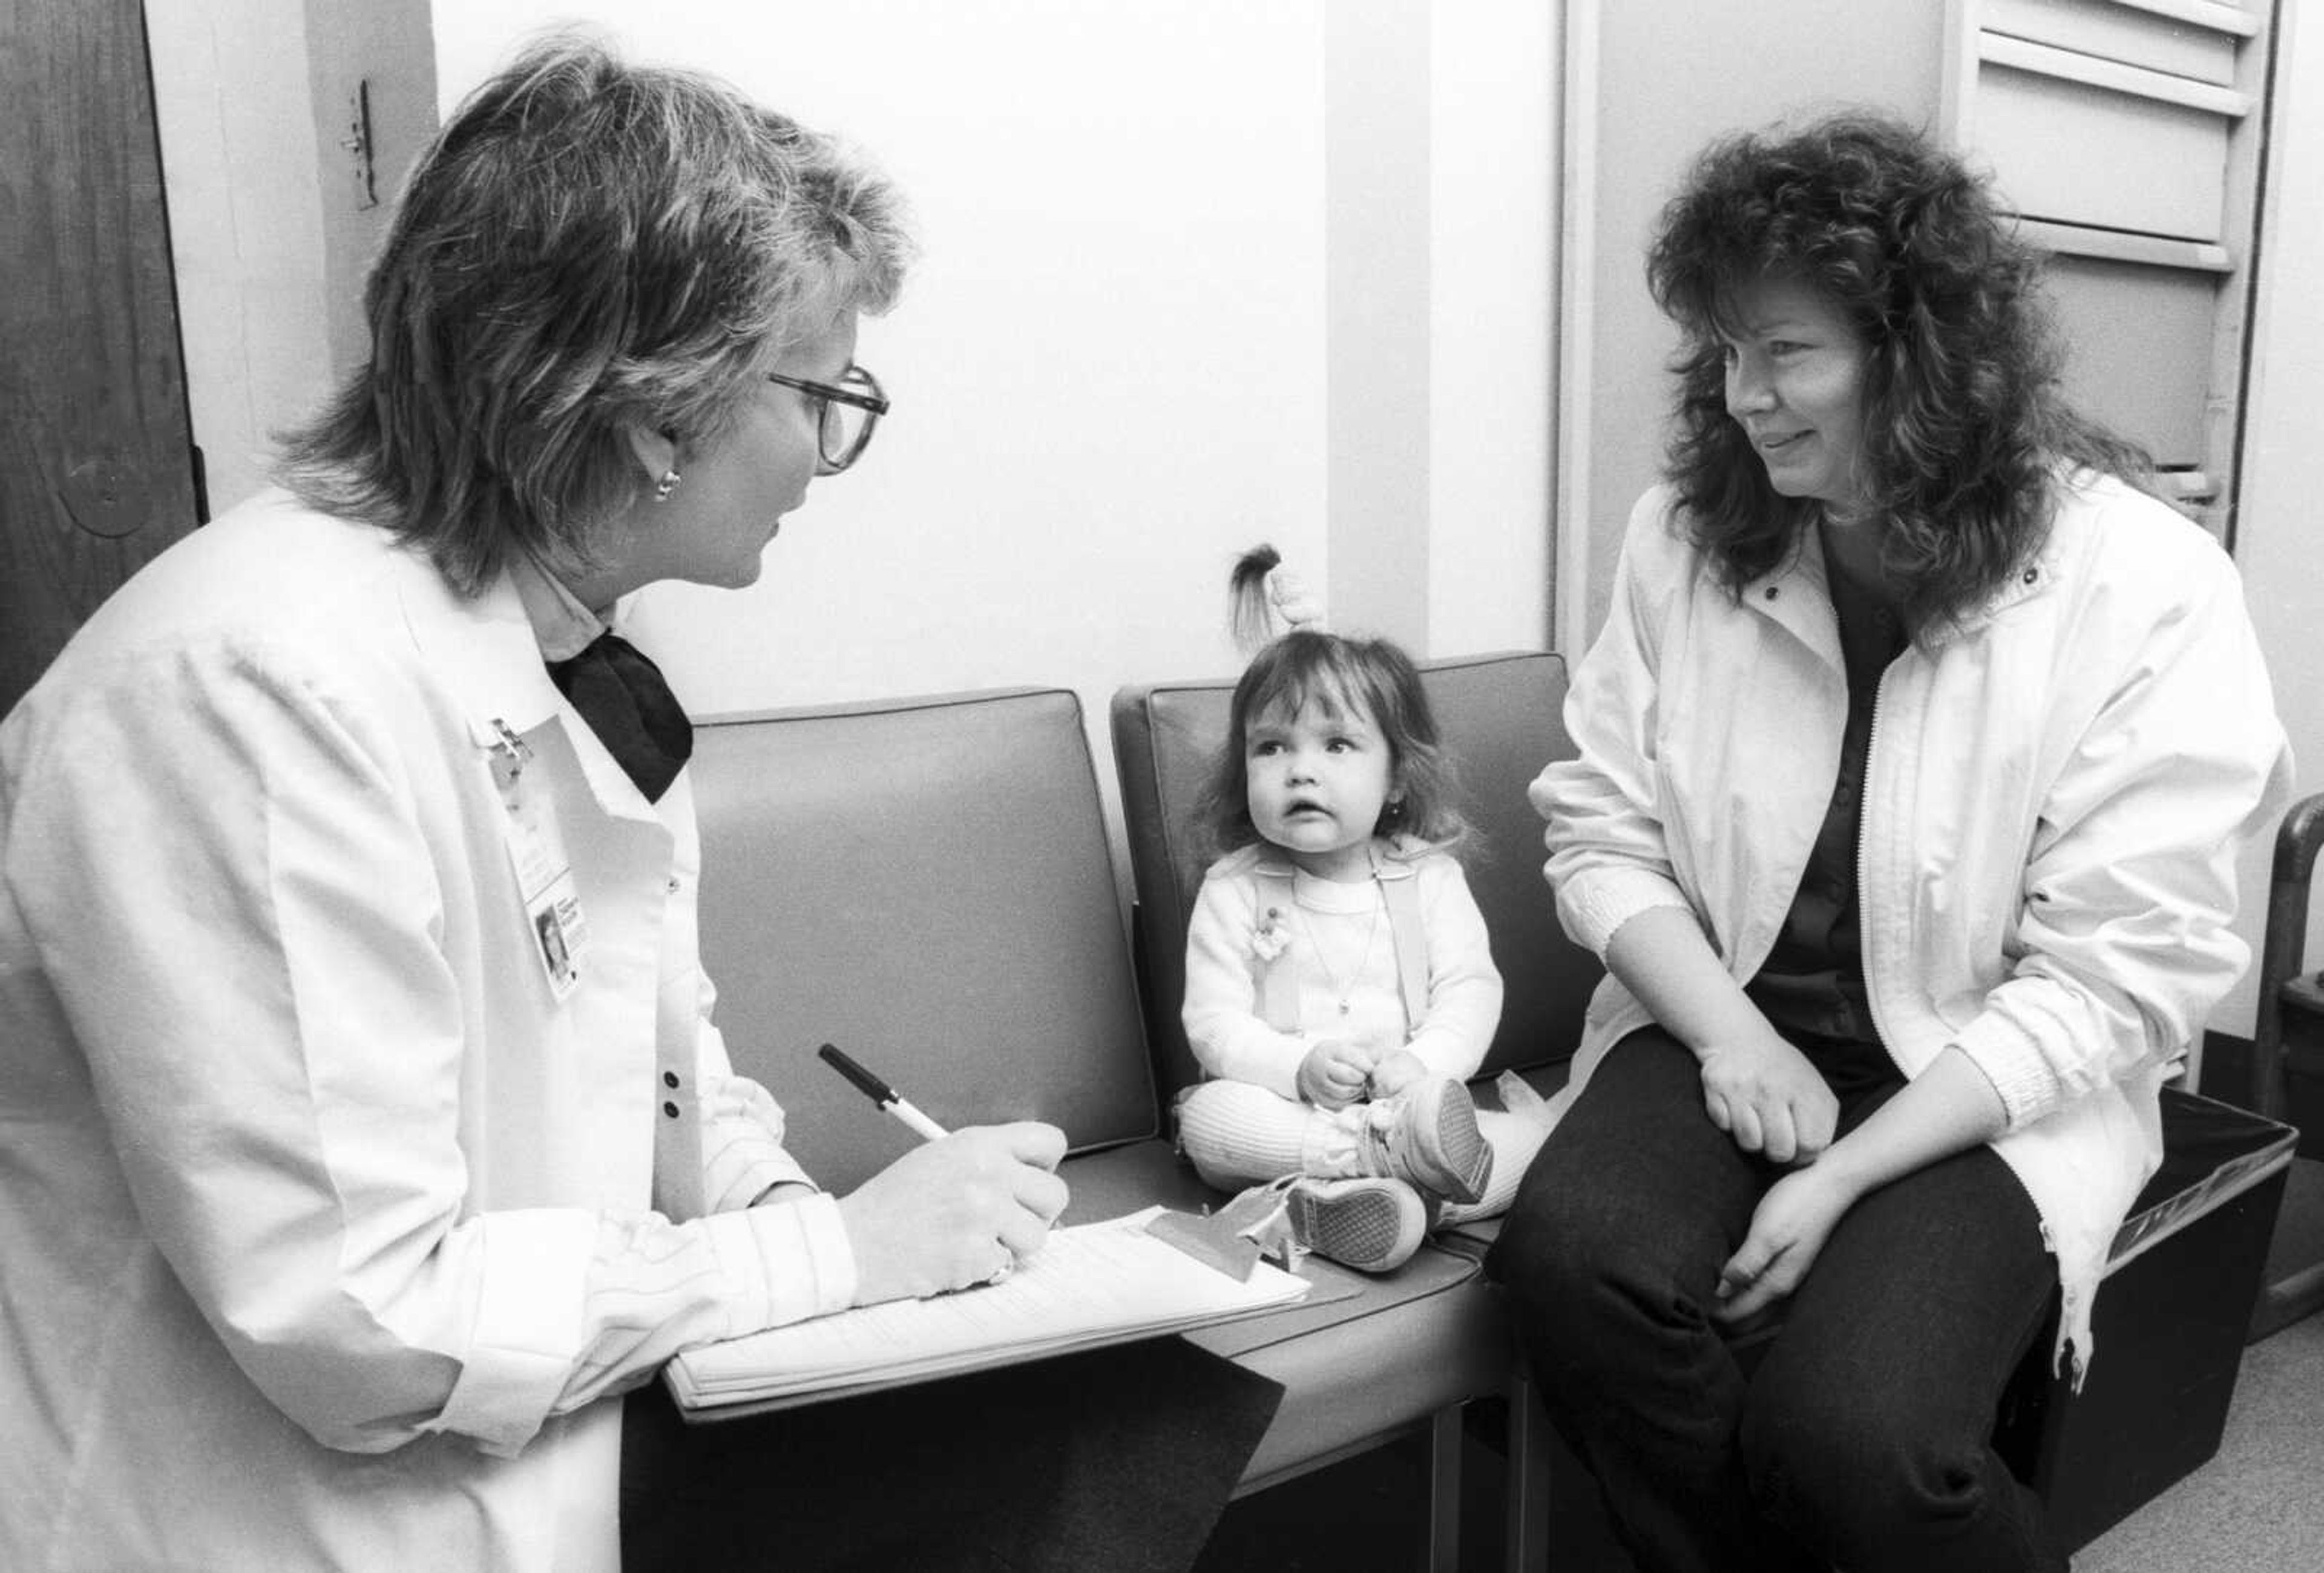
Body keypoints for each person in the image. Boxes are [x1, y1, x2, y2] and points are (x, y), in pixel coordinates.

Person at [0, 36, 1276, 1573]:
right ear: (652, 412)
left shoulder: (557, 643)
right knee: (1052, 1468)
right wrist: (832, 1250)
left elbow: (664, 1074)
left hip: (540, 1414)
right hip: (284, 1497)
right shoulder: (255, 690)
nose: (825, 452)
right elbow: (364, 1324)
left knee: (1101, 1405)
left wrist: (838, 1241)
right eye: (821, 393)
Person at [1487, 113, 2291, 1573]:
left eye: (1784, 353)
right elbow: (1599, 833)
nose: (1742, 399)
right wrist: (1734, 1040)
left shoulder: (2141, 583)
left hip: (1986, 1071)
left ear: (1916, 355)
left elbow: (2122, 973)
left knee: (1855, 1433)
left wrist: (1846, 1176)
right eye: (1722, 352)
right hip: (1726, 1011)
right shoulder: (1684, 533)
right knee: (1573, 1266)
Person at [1175, 549, 1552, 1273]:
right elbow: (1215, 1026)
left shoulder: (1429, 880)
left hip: (1408, 1113)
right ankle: (1366, 1172)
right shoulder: (1236, 887)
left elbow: (1470, 993)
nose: (1301, 768)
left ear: (1397, 778)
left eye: (1338, 744)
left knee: (1533, 1144)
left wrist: (1420, 1065)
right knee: (1210, 1121)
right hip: (1289, 1117)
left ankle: (1346, 1204)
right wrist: (1301, 1065)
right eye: (1272, 746)